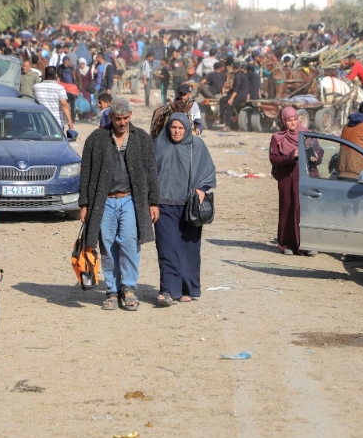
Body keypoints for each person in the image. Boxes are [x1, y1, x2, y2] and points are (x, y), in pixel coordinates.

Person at [78, 97, 160, 311]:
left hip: (131, 200)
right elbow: (85, 173)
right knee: (107, 246)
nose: (122, 123)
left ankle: (129, 289)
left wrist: (153, 202)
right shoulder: (96, 140)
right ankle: (112, 292)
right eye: (117, 119)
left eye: (125, 118)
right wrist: (84, 203)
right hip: (104, 202)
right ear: (110, 117)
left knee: (130, 243)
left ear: (130, 116)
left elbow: (151, 172)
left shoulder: (142, 139)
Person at [153, 113, 216, 306]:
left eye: (181, 128)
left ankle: (186, 289)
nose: (177, 131)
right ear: (168, 127)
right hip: (163, 205)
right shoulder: (158, 145)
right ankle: (168, 290)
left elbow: (208, 171)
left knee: (188, 249)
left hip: (189, 206)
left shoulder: (196, 146)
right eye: (173, 127)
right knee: (167, 247)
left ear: (187, 128)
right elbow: (149, 172)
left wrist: (202, 189)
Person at [269, 107, 323, 256]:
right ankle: (287, 244)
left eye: (294, 119)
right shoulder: (278, 137)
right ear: (284, 121)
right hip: (287, 178)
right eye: (289, 120)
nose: (293, 123)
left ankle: (309, 244)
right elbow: (274, 158)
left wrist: (316, 157)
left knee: (307, 209)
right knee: (288, 208)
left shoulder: (307, 134)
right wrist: (292, 155)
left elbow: (319, 151)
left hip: (307, 177)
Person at [34, 66, 74, 131]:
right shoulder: (60, 88)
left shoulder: (36, 87)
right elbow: (64, 104)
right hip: (56, 124)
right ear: (56, 75)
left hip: (40, 123)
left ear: (45, 75)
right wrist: (70, 121)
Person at [220, 61, 249, 131]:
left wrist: (231, 98)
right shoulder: (242, 74)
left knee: (229, 107)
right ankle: (221, 117)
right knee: (222, 100)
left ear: (232, 67)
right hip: (241, 94)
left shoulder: (238, 75)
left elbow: (236, 88)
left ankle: (227, 126)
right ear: (239, 67)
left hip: (240, 95)